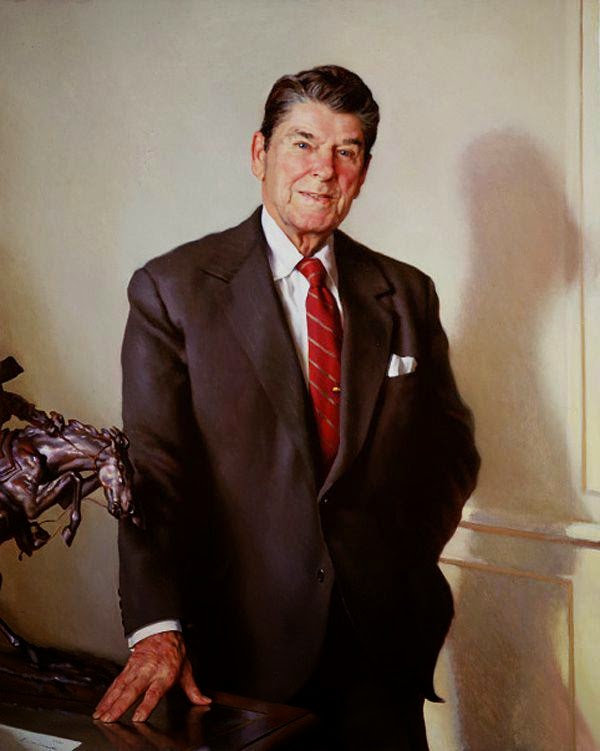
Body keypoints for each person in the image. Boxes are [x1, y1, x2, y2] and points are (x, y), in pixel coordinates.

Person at [94, 65, 480, 750]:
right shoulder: (173, 290)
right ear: (259, 153)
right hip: (237, 655)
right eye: (303, 143)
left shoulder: (406, 292)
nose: (323, 169)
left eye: (346, 150)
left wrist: (397, 557)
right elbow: (153, 473)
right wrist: (157, 628)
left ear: (363, 171)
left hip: (380, 654)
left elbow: (450, 451)